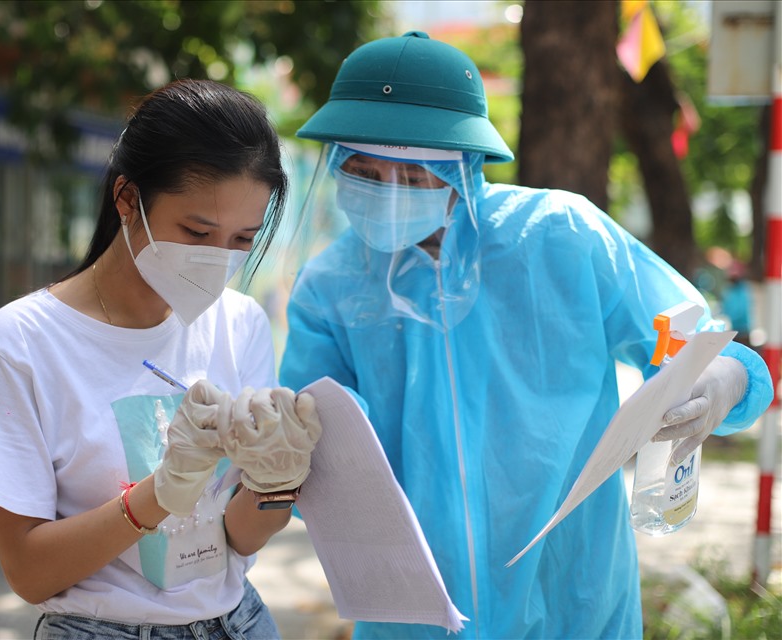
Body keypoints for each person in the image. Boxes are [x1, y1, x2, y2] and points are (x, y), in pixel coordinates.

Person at [278, 32, 773, 639]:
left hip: (573, 590)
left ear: (462, 167)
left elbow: (682, 339)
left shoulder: (561, 237)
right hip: (413, 613)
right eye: (363, 171)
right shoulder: (329, 285)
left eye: (410, 171)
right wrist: (280, 444)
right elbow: (310, 444)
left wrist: (725, 377)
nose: (386, 189)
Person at [0, 79, 322, 640]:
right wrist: (158, 494)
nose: (216, 258)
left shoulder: (241, 323)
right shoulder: (20, 342)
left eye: (241, 239)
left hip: (239, 622)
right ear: (127, 198)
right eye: (197, 231)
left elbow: (241, 538)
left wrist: (274, 483)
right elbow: (30, 574)